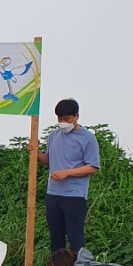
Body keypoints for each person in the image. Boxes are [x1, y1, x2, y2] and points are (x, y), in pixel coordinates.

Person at [37, 98, 100, 252]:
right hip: (53, 194)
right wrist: (36, 153)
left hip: (74, 196)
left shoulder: (87, 138)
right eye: (60, 119)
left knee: (75, 239)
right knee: (56, 240)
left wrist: (67, 173)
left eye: (67, 119)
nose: (63, 122)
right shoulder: (53, 136)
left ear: (76, 116)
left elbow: (92, 167)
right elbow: (49, 161)